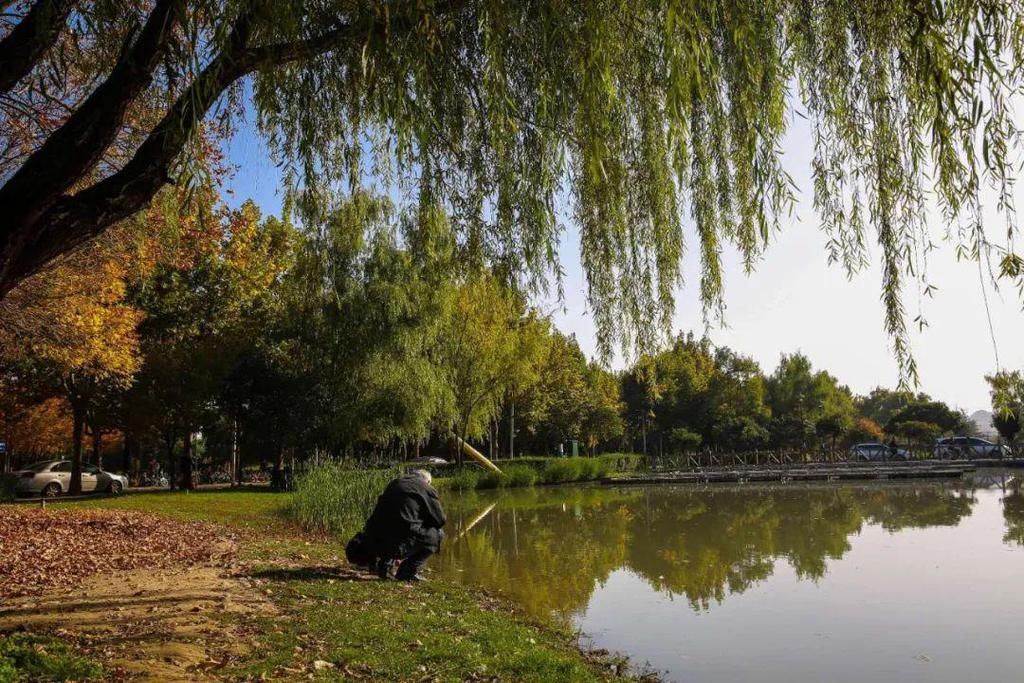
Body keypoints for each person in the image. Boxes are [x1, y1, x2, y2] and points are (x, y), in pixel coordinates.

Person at [361, 469, 445, 582]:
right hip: (397, 544)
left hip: (374, 541)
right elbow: (440, 520)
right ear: (428, 482)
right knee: (438, 534)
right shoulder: (426, 488)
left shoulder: (394, 483)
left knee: (394, 526)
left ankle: (385, 566)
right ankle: (407, 571)